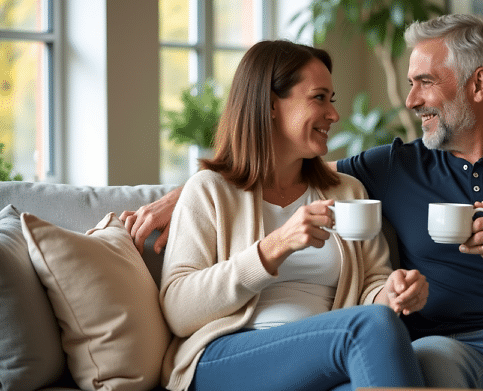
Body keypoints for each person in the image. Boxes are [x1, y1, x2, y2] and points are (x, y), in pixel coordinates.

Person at [123, 14, 483, 390]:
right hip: (446, 346)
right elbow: (267, 171)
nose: (410, 100)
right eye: (411, 84)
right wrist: (182, 195)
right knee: (416, 358)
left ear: (479, 84)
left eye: (424, 82)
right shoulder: (392, 166)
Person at [152, 40, 428, 391]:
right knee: (367, 326)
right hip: (227, 355)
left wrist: (392, 293)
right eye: (319, 98)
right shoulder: (209, 190)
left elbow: (372, 286)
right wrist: (275, 246)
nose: (334, 115)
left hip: (324, 360)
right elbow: (179, 311)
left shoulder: (347, 192)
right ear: (270, 105)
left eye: (332, 99)